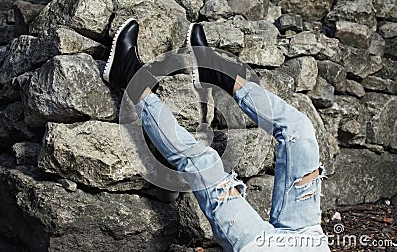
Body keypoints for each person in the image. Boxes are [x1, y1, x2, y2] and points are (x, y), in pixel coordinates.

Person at [102, 18, 330, 252]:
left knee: (203, 162)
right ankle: (215, 71)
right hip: (309, 237)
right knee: (299, 129)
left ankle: (129, 77)